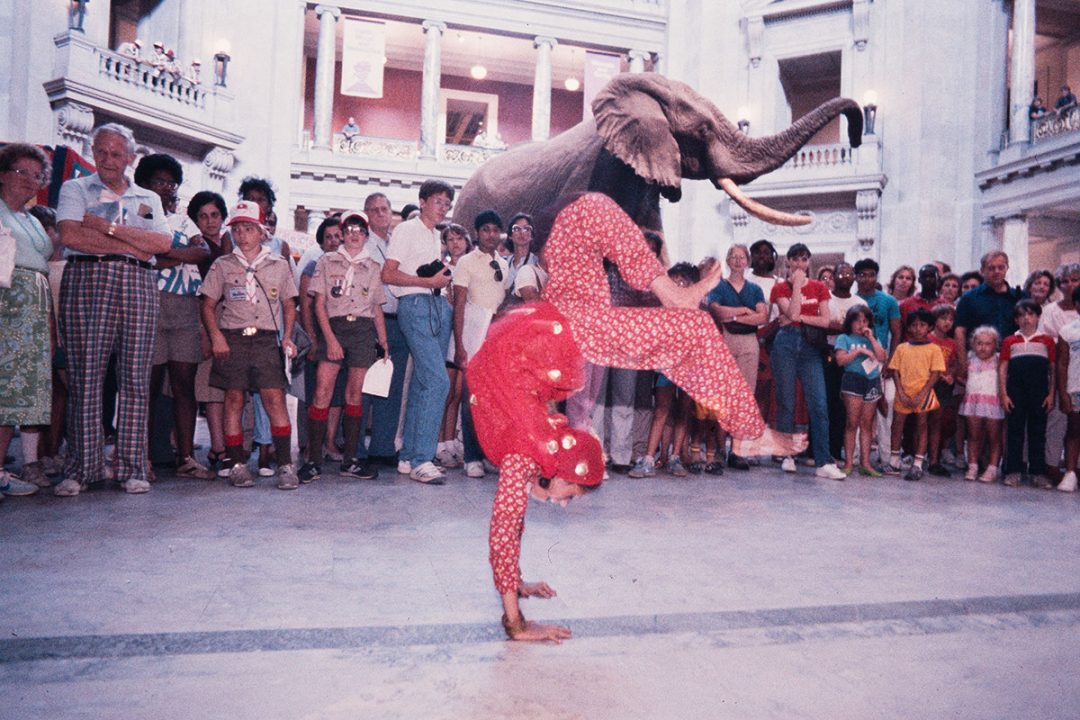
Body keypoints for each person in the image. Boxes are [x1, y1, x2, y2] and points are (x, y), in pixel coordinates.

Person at [540, 193, 802, 463]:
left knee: (695, 327)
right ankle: (747, 433)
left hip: (583, 323)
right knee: (696, 325)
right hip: (580, 322)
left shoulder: (575, 233)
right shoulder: (584, 213)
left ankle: (745, 434)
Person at [55, 123, 173, 496]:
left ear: (130, 158)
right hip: (88, 279)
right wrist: (134, 245)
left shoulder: (148, 198)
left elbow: (162, 241)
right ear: (93, 152)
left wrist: (107, 230)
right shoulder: (75, 188)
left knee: (136, 378)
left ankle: (132, 467)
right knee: (86, 375)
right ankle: (82, 467)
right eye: (102, 151)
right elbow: (71, 235)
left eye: (116, 153)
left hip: (138, 283)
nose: (108, 159)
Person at [198, 200, 299, 490]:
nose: (242, 235)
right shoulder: (223, 264)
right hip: (233, 339)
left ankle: (285, 464)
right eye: (237, 229)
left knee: (275, 399)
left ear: (261, 231)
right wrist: (216, 336)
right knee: (234, 400)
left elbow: (289, 304)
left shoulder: (278, 264)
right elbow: (207, 304)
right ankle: (237, 464)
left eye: (248, 229)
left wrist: (287, 337)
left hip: (266, 340)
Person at [134, 153, 214, 481]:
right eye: (160, 181)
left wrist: (165, 255)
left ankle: (185, 457)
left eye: (172, 182)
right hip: (150, 303)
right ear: (145, 184)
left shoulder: (183, 220)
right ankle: (141, 457)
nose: (168, 188)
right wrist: (171, 256)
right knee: (147, 387)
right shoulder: (139, 213)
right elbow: (139, 251)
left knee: (184, 386)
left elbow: (203, 251)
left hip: (185, 307)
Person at [299, 210, 388, 484]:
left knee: (354, 394)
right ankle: (313, 460)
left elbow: (375, 308)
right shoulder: (326, 261)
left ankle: (349, 460)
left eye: (359, 230)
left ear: (366, 235)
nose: (354, 234)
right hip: (334, 328)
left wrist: (383, 342)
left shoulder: (373, 266)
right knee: (323, 390)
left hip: (361, 330)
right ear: (342, 233)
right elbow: (318, 303)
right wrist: (328, 338)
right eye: (349, 229)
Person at [381, 179, 455, 485]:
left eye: (447, 204)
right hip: (415, 304)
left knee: (425, 383)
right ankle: (424, 459)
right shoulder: (407, 229)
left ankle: (409, 455)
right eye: (438, 201)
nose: (443, 208)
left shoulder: (434, 234)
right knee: (439, 382)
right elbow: (388, 274)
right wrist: (429, 283)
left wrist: (440, 285)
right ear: (422, 201)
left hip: (437, 306)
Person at [0, 143, 54, 497]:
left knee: (19, 394)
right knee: (3, 391)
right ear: (3, 174)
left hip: (33, 309)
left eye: (36, 176)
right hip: (7, 304)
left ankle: (5, 467)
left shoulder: (31, 219)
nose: (30, 181)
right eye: (22, 172)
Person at [769, 243, 846, 480]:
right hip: (785, 345)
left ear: (808, 262)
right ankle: (787, 455)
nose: (801, 264)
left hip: (811, 347)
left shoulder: (820, 287)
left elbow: (825, 321)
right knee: (786, 401)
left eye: (804, 259)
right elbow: (789, 314)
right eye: (796, 259)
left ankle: (823, 461)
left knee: (819, 402)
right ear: (788, 263)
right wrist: (796, 288)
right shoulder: (780, 288)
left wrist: (800, 317)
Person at [238, 177, 294, 476]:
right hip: (240, 325)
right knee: (241, 392)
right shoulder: (232, 239)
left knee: (271, 390)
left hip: (272, 326)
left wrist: (287, 335)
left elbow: (289, 294)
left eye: (261, 199)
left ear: (269, 206)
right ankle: (241, 452)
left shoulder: (279, 245)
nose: (256, 204)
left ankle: (267, 449)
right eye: (250, 198)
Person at [452, 210, 510, 479]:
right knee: (470, 397)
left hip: (496, 338)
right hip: (472, 334)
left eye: (494, 230)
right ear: (476, 233)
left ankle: (489, 453)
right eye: (485, 229)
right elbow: (460, 303)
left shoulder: (505, 263)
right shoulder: (466, 262)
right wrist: (461, 344)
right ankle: (471, 456)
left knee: (492, 400)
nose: (490, 234)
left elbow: (502, 302)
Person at [706, 243, 767, 470]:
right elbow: (718, 311)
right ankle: (721, 449)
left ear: (747, 261)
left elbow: (762, 316)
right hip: (726, 340)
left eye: (742, 257)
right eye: (734, 256)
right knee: (723, 396)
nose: (738, 260)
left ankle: (737, 450)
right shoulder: (720, 286)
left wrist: (735, 316)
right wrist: (743, 312)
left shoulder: (755, 289)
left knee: (744, 397)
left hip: (749, 344)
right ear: (728, 260)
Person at [360, 192, 408, 467]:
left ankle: (383, 446)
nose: (380, 214)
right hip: (371, 320)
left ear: (391, 213)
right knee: (367, 384)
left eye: (384, 209)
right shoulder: (365, 246)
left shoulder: (395, 244)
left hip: (397, 319)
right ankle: (357, 447)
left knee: (391, 385)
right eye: (374, 210)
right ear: (366, 215)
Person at [297, 216, 348, 467]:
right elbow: (306, 306)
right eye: (328, 237)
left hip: (344, 336)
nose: (334, 241)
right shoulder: (313, 266)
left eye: (338, 236)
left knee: (337, 393)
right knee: (316, 391)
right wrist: (312, 337)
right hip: (318, 336)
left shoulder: (351, 266)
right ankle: (312, 446)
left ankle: (330, 442)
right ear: (321, 242)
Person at [187, 191, 232, 473]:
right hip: (206, 316)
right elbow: (200, 296)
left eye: (215, 215)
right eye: (203, 216)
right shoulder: (198, 247)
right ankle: (217, 447)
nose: (210, 221)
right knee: (210, 386)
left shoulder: (229, 244)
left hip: (231, 318)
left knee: (228, 386)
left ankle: (228, 443)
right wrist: (206, 331)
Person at [999, 299, 1056, 489]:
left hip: (1039, 393)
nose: (1026, 318)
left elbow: (1053, 369)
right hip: (1016, 393)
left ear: (1038, 317)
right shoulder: (1010, 341)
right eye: (1022, 315)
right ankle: (1013, 471)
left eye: (1031, 314)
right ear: (1016, 319)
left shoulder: (1047, 341)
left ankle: (1038, 473)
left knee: (1038, 432)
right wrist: (1004, 394)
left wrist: (1051, 394)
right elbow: (1003, 368)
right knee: (1015, 431)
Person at [883, 308, 945, 481]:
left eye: (922, 325)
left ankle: (917, 464)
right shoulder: (902, 348)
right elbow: (894, 371)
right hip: (903, 393)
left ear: (930, 327)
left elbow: (935, 374)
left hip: (923, 394)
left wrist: (922, 394)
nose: (918, 329)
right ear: (909, 328)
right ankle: (894, 461)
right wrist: (901, 392)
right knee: (897, 425)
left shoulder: (934, 349)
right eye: (914, 325)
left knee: (922, 426)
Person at [853, 258, 902, 467]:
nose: (867, 278)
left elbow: (897, 333)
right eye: (862, 274)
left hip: (882, 360)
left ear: (876, 276)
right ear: (856, 277)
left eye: (871, 274)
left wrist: (891, 362)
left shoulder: (888, 301)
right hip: (856, 359)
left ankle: (886, 456)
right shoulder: (852, 300)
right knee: (855, 407)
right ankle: (854, 455)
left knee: (887, 403)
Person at [1039, 263, 1080, 483]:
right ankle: (1052, 464)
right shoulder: (1050, 310)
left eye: (1075, 279)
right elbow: (1047, 340)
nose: (1070, 284)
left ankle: (1075, 467)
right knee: (1057, 418)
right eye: (1065, 281)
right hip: (1058, 369)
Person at [834, 305, 886, 476]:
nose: (860, 325)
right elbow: (840, 360)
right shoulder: (844, 338)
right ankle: (849, 462)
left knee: (867, 423)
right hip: (853, 381)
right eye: (856, 320)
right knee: (852, 422)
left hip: (871, 381)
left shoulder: (872, 338)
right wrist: (859, 351)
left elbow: (882, 357)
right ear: (850, 322)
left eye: (864, 321)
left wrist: (871, 339)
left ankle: (865, 463)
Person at [436, 223, 472, 468]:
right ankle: (438, 443)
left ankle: (450, 441)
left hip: (468, 330)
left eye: (460, 238)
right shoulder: (444, 270)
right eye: (450, 239)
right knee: (447, 392)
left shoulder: (472, 266)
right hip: (448, 333)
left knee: (459, 392)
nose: (456, 243)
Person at [823, 262, 867, 462]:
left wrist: (839, 327)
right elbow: (823, 327)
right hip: (829, 354)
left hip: (853, 359)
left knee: (845, 406)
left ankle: (839, 448)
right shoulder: (825, 298)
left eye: (850, 274)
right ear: (834, 276)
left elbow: (860, 331)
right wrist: (844, 328)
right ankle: (823, 449)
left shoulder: (860, 303)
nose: (845, 277)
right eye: (841, 274)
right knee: (827, 402)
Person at [959, 326, 1004, 483]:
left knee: (994, 437)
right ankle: (973, 466)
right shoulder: (970, 358)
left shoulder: (999, 359)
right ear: (973, 344)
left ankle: (992, 468)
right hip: (973, 403)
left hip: (993, 403)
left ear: (995, 345)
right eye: (979, 343)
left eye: (988, 343)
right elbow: (961, 376)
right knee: (973, 436)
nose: (983, 347)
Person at [955, 251, 1021, 356]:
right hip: (978, 360)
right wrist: (962, 362)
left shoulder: (1019, 297)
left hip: (1013, 358)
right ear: (982, 270)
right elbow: (960, 331)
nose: (996, 271)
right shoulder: (968, 298)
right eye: (991, 268)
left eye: (1001, 267)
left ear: (1007, 268)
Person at [926, 304, 959, 476]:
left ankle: (934, 460)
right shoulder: (927, 339)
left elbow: (953, 363)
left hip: (944, 386)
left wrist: (951, 374)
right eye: (943, 318)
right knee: (922, 423)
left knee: (937, 423)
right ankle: (917, 456)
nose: (947, 323)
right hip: (927, 384)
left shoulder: (951, 343)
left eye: (950, 320)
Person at [1055, 284, 1080, 492]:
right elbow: (1061, 363)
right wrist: (1063, 393)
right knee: (1074, 430)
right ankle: (1070, 473)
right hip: (1076, 388)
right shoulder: (1067, 331)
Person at [898, 264, 940, 339]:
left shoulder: (946, 306)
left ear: (938, 279)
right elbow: (899, 332)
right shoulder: (905, 304)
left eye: (931, 276)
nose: (928, 279)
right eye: (925, 277)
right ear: (919, 280)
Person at [503, 212, 537, 289]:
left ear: (531, 235)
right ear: (510, 236)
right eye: (516, 229)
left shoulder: (536, 263)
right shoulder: (503, 263)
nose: (522, 233)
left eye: (527, 229)